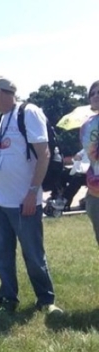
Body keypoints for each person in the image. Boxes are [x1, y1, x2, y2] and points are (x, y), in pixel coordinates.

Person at [0, 75, 61, 313]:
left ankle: (46, 299)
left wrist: (32, 192)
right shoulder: (4, 119)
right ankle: (8, 298)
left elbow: (43, 154)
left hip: (24, 199)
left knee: (33, 253)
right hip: (1, 200)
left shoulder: (29, 113)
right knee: (2, 253)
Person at [81, 80, 99, 244]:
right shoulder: (87, 125)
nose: (95, 96)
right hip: (95, 192)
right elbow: (90, 155)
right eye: (92, 93)